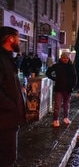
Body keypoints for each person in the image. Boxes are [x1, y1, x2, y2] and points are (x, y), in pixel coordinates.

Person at [0, 26, 26, 166]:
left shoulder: (8, 59)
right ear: (10, 39)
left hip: (8, 121)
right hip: (4, 120)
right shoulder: (2, 59)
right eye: (17, 38)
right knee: (7, 160)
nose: (19, 41)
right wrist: (13, 105)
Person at [46, 53, 77, 127]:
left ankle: (66, 118)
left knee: (66, 104)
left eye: (66, 58)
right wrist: (54, 78)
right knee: (57, 105)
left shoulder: (71, 66)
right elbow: (48, 72)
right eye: (63, 58)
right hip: (59, 88)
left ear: (68, 59)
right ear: (61, 58)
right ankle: (56, 119)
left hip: (68, 89)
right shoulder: (57, 66)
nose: (65, 59)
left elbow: (75, 77)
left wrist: (73, 85)